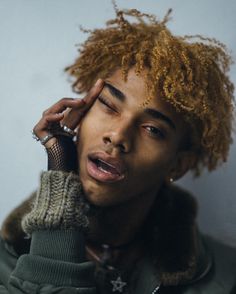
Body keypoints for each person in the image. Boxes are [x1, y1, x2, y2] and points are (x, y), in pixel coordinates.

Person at [0, 3, 235, 294]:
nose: (118, 136)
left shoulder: (225, 278)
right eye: (109, 105)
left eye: (153, 129)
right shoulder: (4, 261)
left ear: (178, 165)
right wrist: (59, 184)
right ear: (80, 114)